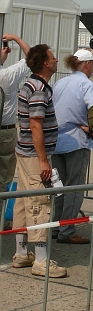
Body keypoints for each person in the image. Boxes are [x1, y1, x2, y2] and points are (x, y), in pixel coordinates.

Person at [12, 44, 67, 278]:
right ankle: (41, 260)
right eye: (53, 58)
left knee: (24, 202)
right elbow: (36, 125)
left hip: (25, 153)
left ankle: (22, 253)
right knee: (39, 203)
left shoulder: (33, 84)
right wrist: (43, 161)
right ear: (45, 63)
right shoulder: (38, 88)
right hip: (34, 156)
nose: (56, 61)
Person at [51, 49, 93, 244]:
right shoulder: (86, 85)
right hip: (76, 140)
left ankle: (56, 225)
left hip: (56, 140)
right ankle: (67, 230)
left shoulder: (60, 83)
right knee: (76, 187)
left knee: (59, 187)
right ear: (86, 64)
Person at [0, 34, 30, 195]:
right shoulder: (8, 75)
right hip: (5, 131)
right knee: (3, 176)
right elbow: (30, 56)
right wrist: (17, 38)